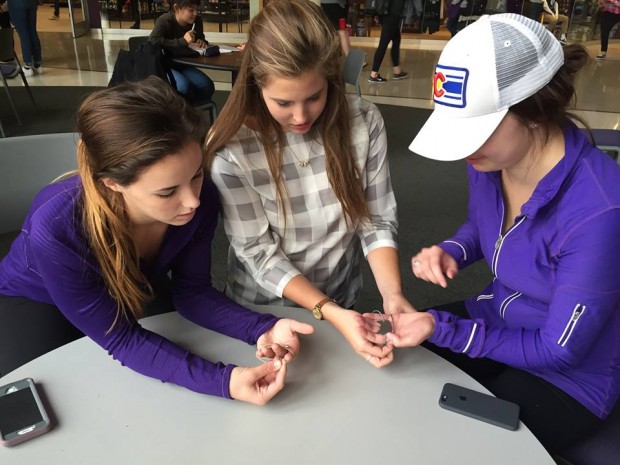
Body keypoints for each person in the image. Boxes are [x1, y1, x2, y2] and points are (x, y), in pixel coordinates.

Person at [359, 13, 620, 457]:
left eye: (474, 131)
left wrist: (443, 329)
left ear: (535, 111)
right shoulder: (489, 158)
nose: (463, 148)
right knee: (389, 370)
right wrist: (453, 250)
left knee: (452, 447)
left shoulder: (600, 209)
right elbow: (484, 227)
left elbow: (559, 351)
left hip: (568, 376)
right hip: (496, 316)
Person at [0, 77, 314, 405]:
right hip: (35, 299)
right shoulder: (56, 225)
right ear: (112, 183)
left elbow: (193, 293)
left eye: (195, 174)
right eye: (167, 192)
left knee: (161, 396)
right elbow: (121, 339)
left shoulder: (200, 198)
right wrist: (225, 381)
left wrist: (264, 328)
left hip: (132, 283)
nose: (192, 201)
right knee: (47, 397)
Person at [205, 0, 413, 367]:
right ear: (255, 85)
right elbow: (257, 251)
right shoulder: (232, 151)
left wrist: (392, 295)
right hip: (263, 312)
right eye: (283, 102)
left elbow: (375, 220)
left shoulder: (363, 121)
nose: (301, 116)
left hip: (341, 297)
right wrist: (327, 310)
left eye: (315, 97)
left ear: (331, 79)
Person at [149, 0, 215, 105]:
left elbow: (200, 37)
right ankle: (182, 115)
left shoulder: (197, 21)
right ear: (177, 8)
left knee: (206, 85)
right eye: (191, 10)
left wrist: (202, 41)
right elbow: (153, 42)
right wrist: (182, 41)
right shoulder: (165, 21)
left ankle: (196, 112)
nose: (195, 14)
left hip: (184, 63)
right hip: (166, 65)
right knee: (184, 86)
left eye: (196, 10)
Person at [368, 0, 407, 83]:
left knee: (396, 39)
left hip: (387, 11)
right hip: (392, 12)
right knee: (383, 43)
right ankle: (373, 74)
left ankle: (397, 71)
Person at [7, 0, 43, 76]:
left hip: (16, 3)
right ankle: (37, 64)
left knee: (23, 33)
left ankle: (27, 65)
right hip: (32, 3)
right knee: (32, 31)